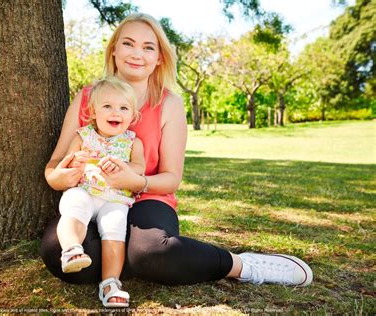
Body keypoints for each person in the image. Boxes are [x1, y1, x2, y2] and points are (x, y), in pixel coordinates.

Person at [41, 12, 313, 307]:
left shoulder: (169, 103)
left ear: (159, 57)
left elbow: (171, 178)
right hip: (93, 198)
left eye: (148, 47)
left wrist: (135, 180)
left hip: (148, 198)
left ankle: (242, 265)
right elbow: (54, 165)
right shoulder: (87, 98)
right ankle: (126, 262)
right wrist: (63, 176)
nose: (137, 54)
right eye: (128, 44)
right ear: (114, 50)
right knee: (58, 252)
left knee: (151, 253)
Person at [55, 77, 145, 308]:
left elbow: (138, 169)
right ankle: (71, 250)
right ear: (93, 111)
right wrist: (76, 160)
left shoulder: (133, 143)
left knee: (116, 228)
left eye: (124, 108)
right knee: (74, 208)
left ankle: (110, 284)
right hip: (84, 190)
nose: (116, 112)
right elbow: (67, 163)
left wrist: (124, 169)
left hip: (114, 197)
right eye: (108, 106)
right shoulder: (83, 136)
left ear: (133, 116)